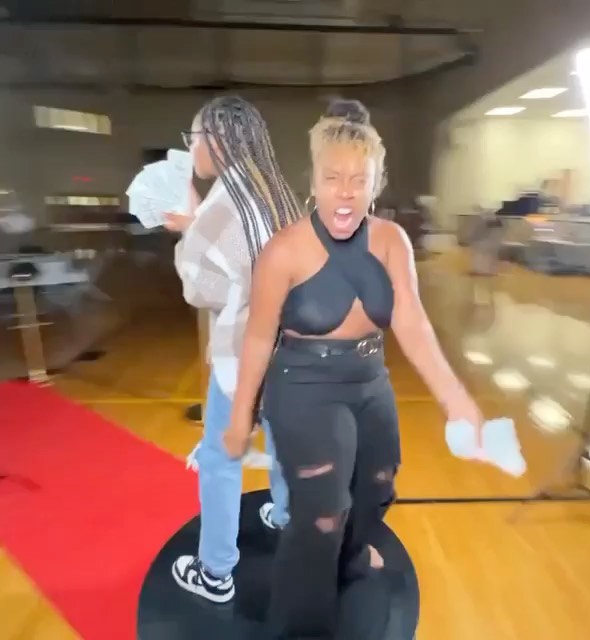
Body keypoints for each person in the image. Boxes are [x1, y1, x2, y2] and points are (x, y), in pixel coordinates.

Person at [223, 99, 483, 638]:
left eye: (358, 180)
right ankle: (300, 627)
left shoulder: (390, 241)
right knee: (322, 514)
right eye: (332, 178)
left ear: (375, 184)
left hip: (369, 381)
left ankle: (350, 558)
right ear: (314, 182)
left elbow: (411, 321)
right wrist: (240, 415)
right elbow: (258, 336)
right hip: (304, 387)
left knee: (378, 487)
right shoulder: (283, 251)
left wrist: (454, 397)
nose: (345, 192)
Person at [168, 95, 301, 604]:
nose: (191, 149)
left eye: (194, 138)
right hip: (293, 347)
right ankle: (286, 516)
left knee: (221, 457)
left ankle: (215, 571)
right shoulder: (276, 189)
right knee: (284, 439)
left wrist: (189, 229)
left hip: (245, 356)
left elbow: (199, 289)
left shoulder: (221, 206)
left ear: (217, 142)